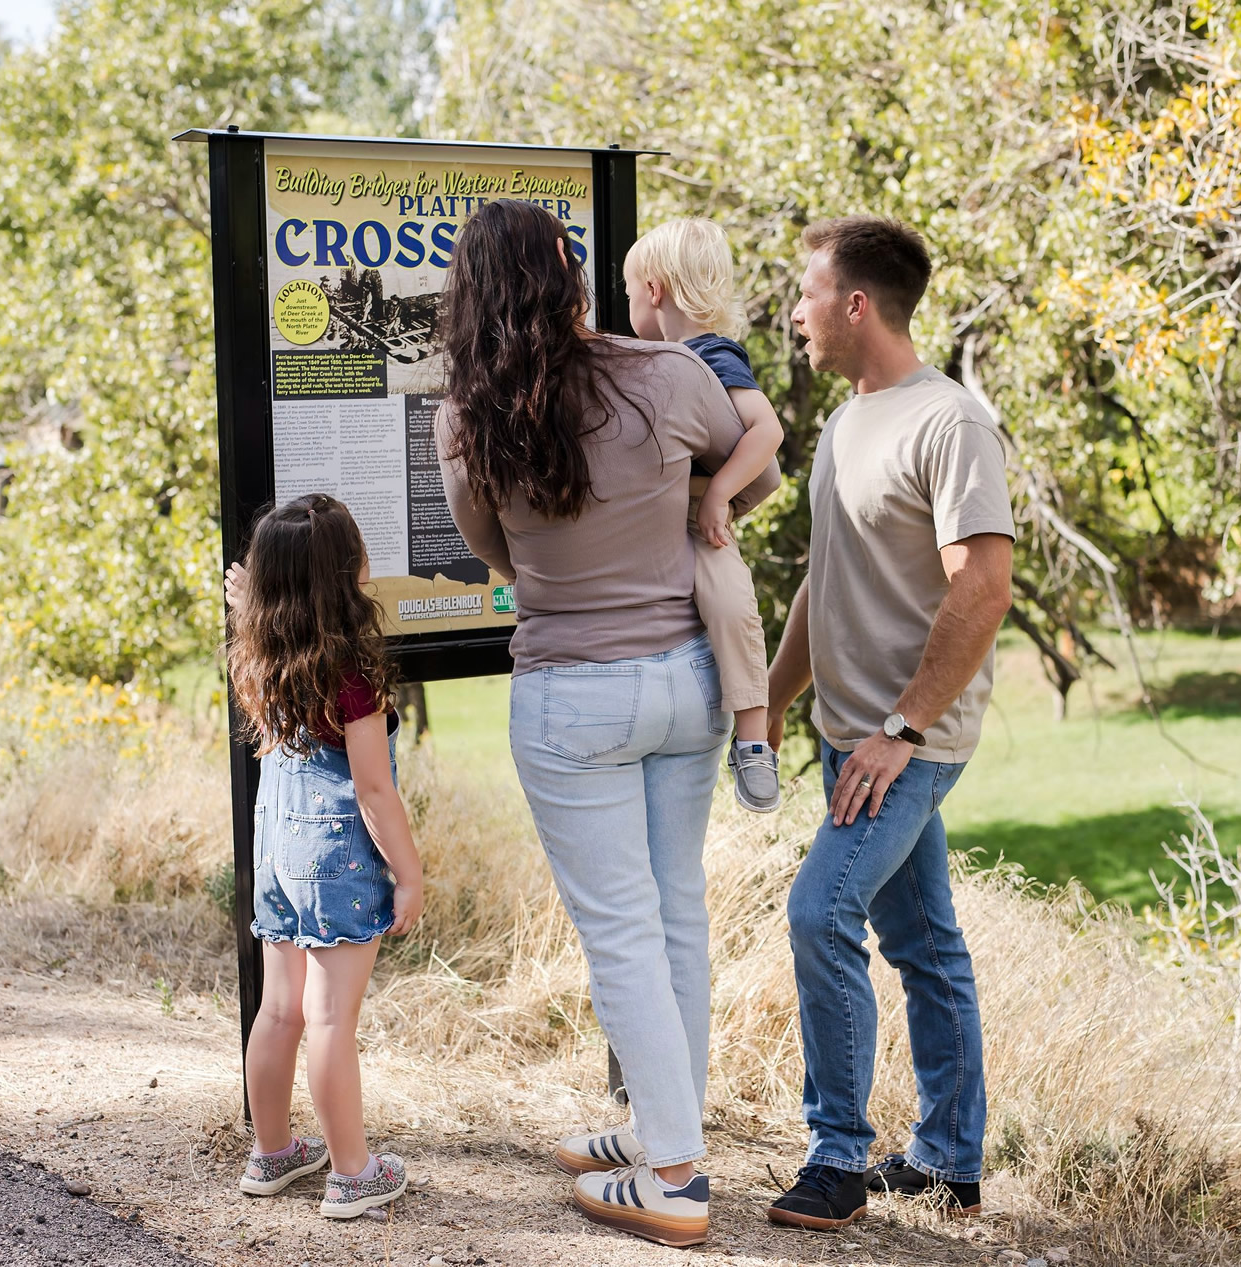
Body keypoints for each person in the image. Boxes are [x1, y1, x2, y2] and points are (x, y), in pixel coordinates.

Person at [434, 199, 780, 1248]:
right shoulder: (668, 375)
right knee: (673, 916)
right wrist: (684, 514)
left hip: (569, 691)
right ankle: (663, 1131)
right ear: (571, 279)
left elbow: (489, 546)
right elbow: (754, 467)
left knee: (621, 933)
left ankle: (673, 1176)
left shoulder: (467, 415)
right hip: (684, 680)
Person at [762, 217, 1015, 1230]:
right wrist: (776, 698)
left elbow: (985, 587)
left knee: (819, 912)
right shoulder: (844, 421)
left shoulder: (948, 423)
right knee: (922, 940)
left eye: (806, 293)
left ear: (855, 304)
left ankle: (836, 1158)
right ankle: (949, 1160)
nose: (795, 312)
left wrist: (902, 728)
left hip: (906, 744)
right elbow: (828, 583)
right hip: (846, 731)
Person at [224, 494, 425, 1220]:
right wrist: (409, 873)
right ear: (346, 575)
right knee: (333, 1018)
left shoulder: (261, 650)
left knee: (281, 1009)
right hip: (337, 857)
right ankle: (352, 1173)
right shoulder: (350, 676)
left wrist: (252, 599)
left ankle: (273, 1152)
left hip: (278, 851)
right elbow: (372, 789)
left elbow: (264, 606)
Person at [623, 218, 785, 813]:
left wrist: (718, 497)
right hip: (656, 515)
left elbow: (767, 430)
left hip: (697, 512)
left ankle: (752, 737)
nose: (628, 303)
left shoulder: (712, 355)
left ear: (656, 289)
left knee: (730, 599)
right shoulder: (655, 358)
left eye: (629, 290)